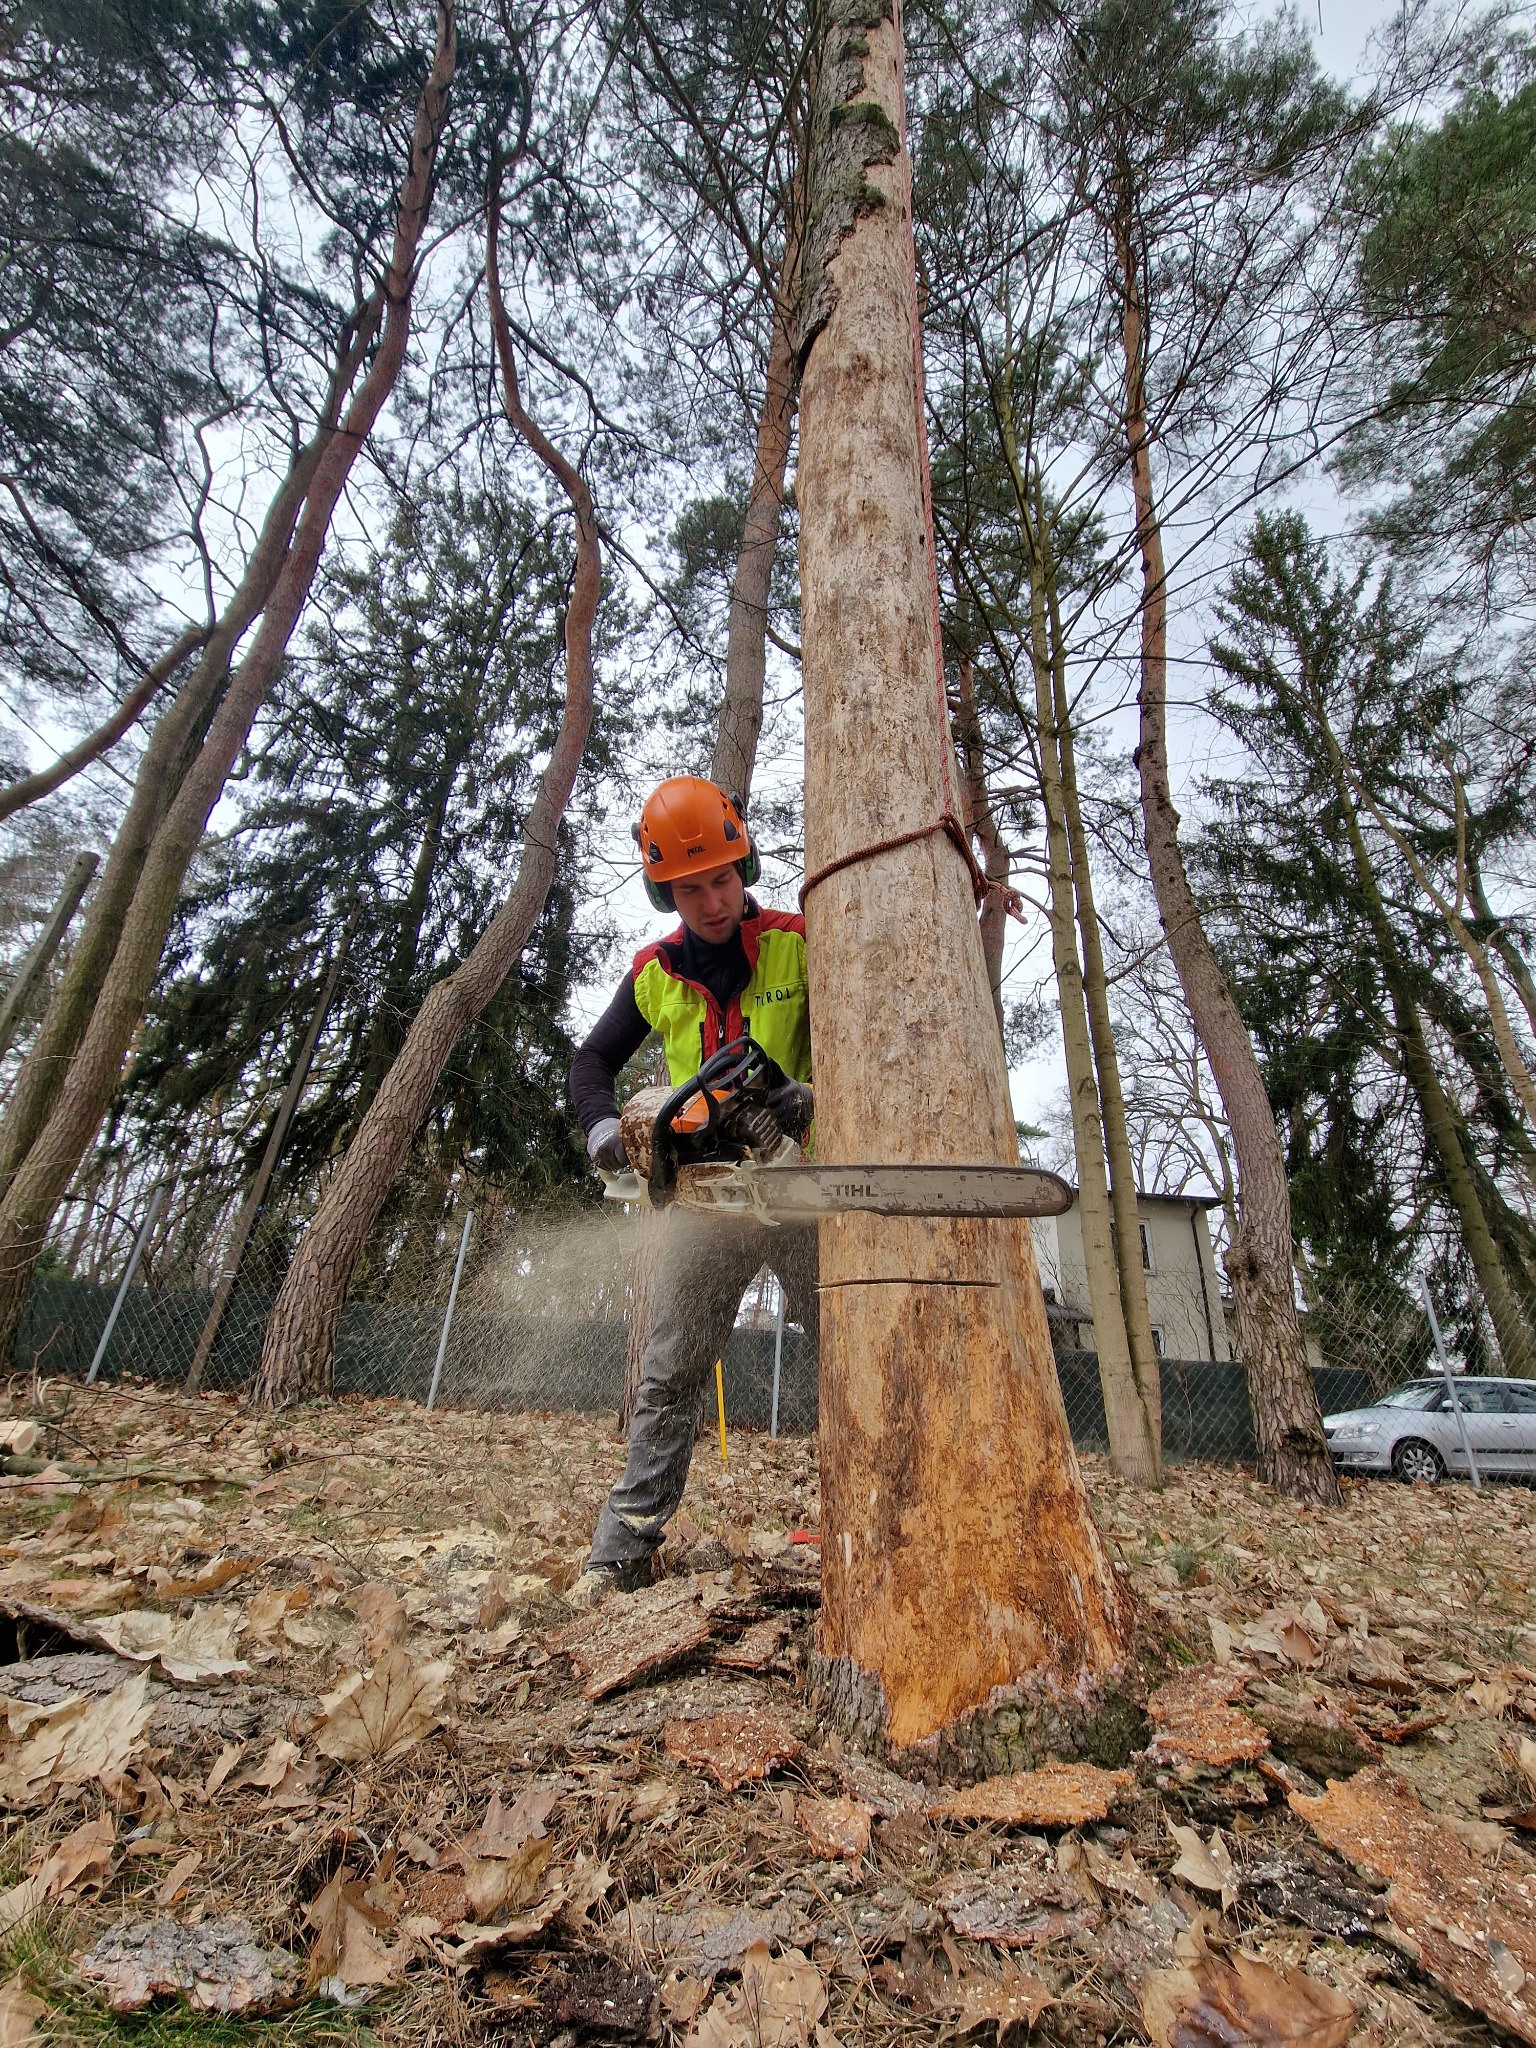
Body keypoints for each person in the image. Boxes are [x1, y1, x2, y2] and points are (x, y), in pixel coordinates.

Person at [567, 777, 815, 1607]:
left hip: (798, 1189)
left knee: (852, 1355)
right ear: (665, 890)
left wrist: (807, 1094)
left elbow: (864, 1041)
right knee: (669, 1375)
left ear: (743, 865)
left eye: (722, 878)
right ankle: (619, 1555)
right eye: (691, 886)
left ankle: (877, 1524)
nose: (712, 900)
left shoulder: (797, 942)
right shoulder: (655, 974)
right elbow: (590, 1064)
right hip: (706, 1203)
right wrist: (611, 1134)